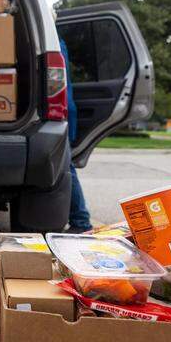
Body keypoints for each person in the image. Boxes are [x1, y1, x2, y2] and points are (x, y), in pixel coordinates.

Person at [59, 36, 92, 232]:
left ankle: (81, 222)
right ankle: (80, 220)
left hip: (60, 112)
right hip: (64, 111)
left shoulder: (52, 39)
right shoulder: (56, 39)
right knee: (65, 164)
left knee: (65, 165)